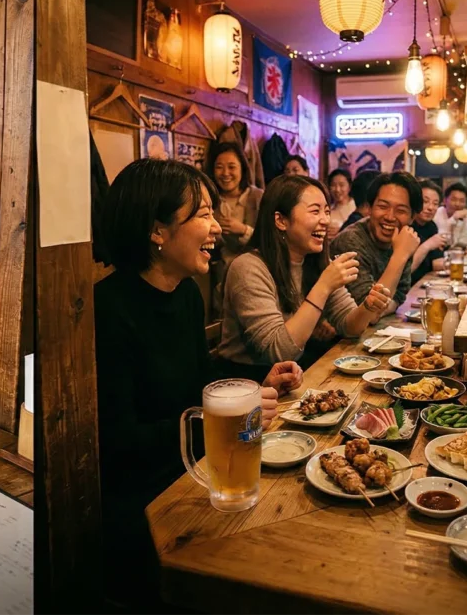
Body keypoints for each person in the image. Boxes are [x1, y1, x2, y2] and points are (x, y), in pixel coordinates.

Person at [95, 158, 302, 607]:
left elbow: (197, 382)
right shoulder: (108, 310)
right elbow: (119, 441)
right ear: (157, 231)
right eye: (204, 214)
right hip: (146, 509)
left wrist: (254, 380)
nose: (217, 229)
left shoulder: (187, 293)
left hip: (197, 477)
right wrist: (210, 424)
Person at [218, 175, 392, 379]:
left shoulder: (314, 261)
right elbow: (280, 352)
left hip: (296, 371)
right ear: (281, 220)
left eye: (327, 211)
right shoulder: (248, 268)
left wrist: (368, 307)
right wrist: (324, 286)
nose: (325, 220)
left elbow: (349, 326)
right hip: (247, 381)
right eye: (315, 211)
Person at [331, 172, 422, 315]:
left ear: (412, 217)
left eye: (400, 210)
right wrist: (400, 256)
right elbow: (370, 313)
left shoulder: (403, 238)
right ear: (369, 208)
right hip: (337, 336)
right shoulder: (351, 242)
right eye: (383, 206)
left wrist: (385, 308)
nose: (390, 217)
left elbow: (400, 295)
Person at [206, 142, 263, 310]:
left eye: (232, 167)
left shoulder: (258, 197)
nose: (225, 173)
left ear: (243, 169)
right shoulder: (208, 199)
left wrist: (244, 230)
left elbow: (270, 240)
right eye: (219, 167)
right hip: (217, 281)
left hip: (253, 280)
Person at [411, 180, 448, 281]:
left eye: (435, 203)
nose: (431, 208)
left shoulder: (431, 226)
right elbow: (406, 270)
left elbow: (436, 263)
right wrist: (428, 245)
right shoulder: (406, 226)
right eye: (425, 202)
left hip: (424, 284)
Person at [434, 182, 467, 247]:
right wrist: (453, 219)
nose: (457, 204)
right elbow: (441, 240)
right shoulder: (436, 213)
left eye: (462, 201)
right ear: (445, 200)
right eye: (454, 199)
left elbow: (463, 242)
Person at [326, 168, 354, 239]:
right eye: (333, 185)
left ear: (349, 187)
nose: (337, 190)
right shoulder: (327, 210)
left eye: (341, 185)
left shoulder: (355, 207)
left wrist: (341, 231)